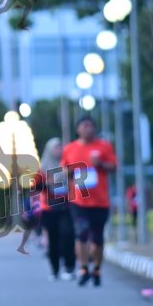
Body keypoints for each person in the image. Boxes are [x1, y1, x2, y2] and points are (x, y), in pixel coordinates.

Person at [61, 115, 117, 287]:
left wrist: (100, 164)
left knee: (98, 238)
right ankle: (84, 268)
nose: (88, 129)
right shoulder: (70, 148)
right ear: (78, 129)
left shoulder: (104, 146)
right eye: (84, 126)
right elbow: (63, 169)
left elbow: (114, 167)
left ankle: (97, 269)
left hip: (100, 201)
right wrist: (69, 172)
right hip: (79, 201)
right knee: (81, 233)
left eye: (91, 126)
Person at [37, 138, 75, 281]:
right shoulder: (43, 168)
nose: (59, 150)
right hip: (49, 208)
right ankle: (55, 269)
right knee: (53, 240)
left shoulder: (68, 165)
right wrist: (50, 182)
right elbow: (36, 187)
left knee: (68, 235)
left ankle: (69, 267)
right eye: (56, 148)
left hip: (67, 206)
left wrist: (68, 176)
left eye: (60, 147)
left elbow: (78, 181)